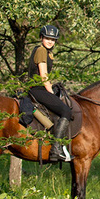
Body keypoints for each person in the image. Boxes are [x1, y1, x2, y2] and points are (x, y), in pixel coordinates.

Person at [27, 24, 73, 162]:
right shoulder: (41, 51)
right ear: (41, 37)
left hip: (37, 88)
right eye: (47, 38)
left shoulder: (46, 52)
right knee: (66, 111)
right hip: (38, 89)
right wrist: (51, 92)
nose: (50, 41)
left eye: (53, 39)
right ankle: (56, 149)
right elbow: (44, 76)